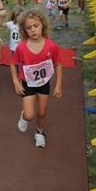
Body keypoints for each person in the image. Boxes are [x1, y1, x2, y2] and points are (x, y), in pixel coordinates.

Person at [10, 9, 63, 148]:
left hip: (43, 83)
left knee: (42, 112)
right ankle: (24, 116)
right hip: (28, 83)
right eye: (28, 28)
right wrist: (16, 82)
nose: (33, 30)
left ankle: (39, 133)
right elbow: (13, 63)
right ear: (24, 30)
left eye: (36, 26)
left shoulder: (51, 46)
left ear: (43, 25)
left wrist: (58, 85)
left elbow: (58, 64)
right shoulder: (21, 48)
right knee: (29, 115)